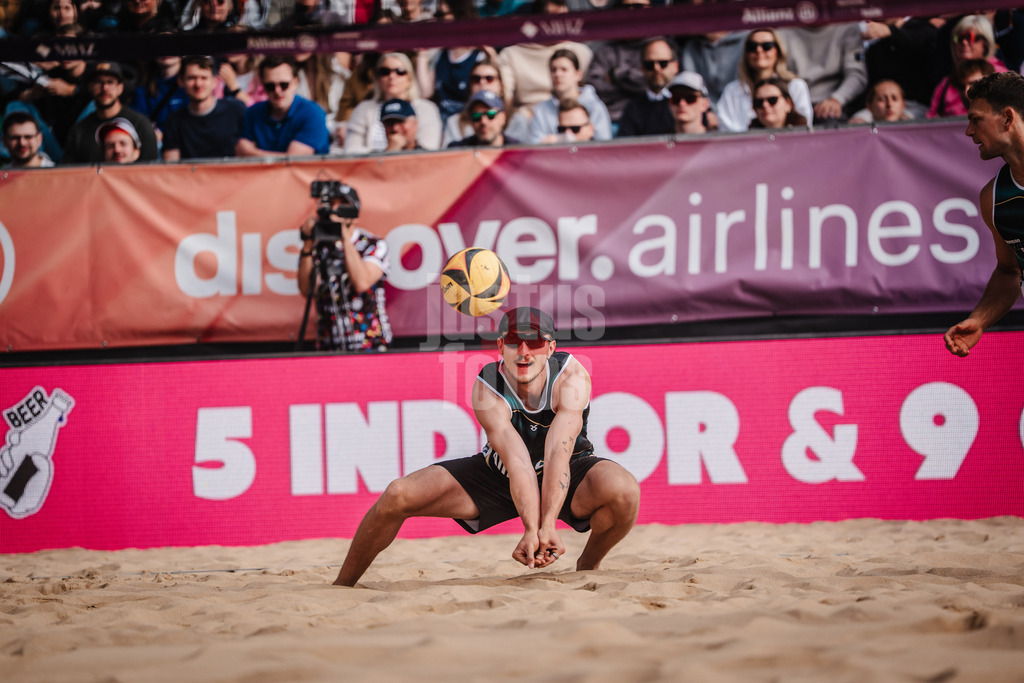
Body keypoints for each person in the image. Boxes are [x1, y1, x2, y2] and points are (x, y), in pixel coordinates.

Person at [333, 306, 641, 587]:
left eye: (534, 343)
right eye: (514, 342)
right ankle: (342, 586)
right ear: (500, 346)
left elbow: (556, 454)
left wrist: (547, 526)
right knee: (397, 495)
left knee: (624, 492)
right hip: (501, 475)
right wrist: (531, 530)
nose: (524, 352)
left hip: (569, 469)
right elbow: (518, 463)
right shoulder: (487, 386)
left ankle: (588, 564)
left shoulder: (571, 377)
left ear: (550, 348)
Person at [944, 71, 1024, 357]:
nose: (969, 131)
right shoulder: (994, 198)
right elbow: (1009, 271)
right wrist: (979, 319)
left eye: (976, 119)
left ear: (1007, 118)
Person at [297, 182, 392, 353]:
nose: (336, 211)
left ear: (355, 215)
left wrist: (344, 238)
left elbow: (361, 282)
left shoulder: (373, 244)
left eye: (342, 206)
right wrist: (308, 243)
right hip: (328, 347)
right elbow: (307, 289)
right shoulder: (318, 248)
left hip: (369, 344)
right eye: (332, 205)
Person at [343, 52, 442, 154]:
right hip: (373, 164)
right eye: (385, 72)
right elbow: (352, 152)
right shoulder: (363, 108)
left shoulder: (426, 108)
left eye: (400, 71)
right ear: (377, 78)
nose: (392, 76)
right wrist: (389, 152)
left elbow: (430, 151)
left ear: (410, 78)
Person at [62, 61, 159, 163]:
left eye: (110, 82)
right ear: (90, 87)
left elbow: (151, 168)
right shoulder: (78, 131)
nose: (104, 88)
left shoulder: (141, 124)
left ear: (120, 87)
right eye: (98, 82)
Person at [717, 28, 812, 133]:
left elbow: (804, 126)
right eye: (752, 46)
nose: (759, 50)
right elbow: (726, 130)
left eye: (767, 46)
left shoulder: (795, 85)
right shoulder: (732, 90)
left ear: (778, 51)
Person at [235, 56, 330, 157]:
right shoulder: (253, 113)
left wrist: (251, 153)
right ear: (263, 85)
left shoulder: (313, 113)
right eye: (270, 86)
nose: (277, 91)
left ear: (295, 82)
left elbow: (295, 160)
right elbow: (241, 151)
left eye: (284, 85)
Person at [776, 22, 867, 122]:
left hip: (835, 104)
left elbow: (857, 75)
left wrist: (837, 99)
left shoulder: (848, 27)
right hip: (792, 103)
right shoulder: (782, 29)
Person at [162, 55, 245, 161]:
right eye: (192, 78)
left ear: (214, 82)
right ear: (181, 82)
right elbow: (171, 164)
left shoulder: (236, 110)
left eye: (204, 78)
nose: (198, 84)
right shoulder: (174, 121)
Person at [928, 15, 1007, 119]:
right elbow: (931, 119)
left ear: (986, 43)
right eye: (959, 38)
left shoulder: (1002, 77)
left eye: (970, 37)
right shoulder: (947, 82)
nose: (964, 42)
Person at [527, 48, 611, 144]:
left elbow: (604, 144)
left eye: (564, 69)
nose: (558, 74)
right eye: (553, 70)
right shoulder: (541, 110)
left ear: (578, 75)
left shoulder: (595, 107)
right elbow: (535, 144)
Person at [442, 57, 528, 146]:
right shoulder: (454, 122)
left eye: (489, 78)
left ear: (501, 85)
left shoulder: (516, 120)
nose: (482, 83)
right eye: (476, 79)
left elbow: (521, 151)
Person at [616, 38, 678, 138]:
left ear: (675, 67)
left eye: (663, 63)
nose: (656, 68)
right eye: (649, 64)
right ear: (642, 69)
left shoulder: (688, 100)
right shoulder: (633, 108)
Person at [447, 89, 519, 147]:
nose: (483, 121)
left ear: (503, 118)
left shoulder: (518, 151)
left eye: (491, 115)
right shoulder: (457, 150)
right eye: (476, 116)